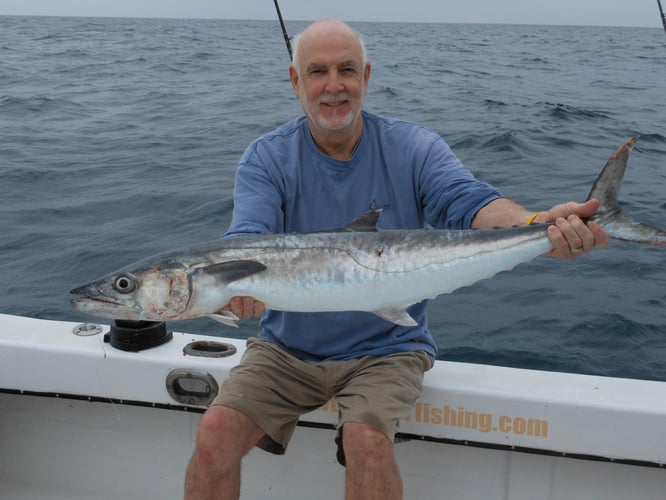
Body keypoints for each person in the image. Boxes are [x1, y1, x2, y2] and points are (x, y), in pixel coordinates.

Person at [185, 19, 609, 500]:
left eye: (347, 69)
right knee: (215, 432)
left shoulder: (414, 147)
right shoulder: (266, 158)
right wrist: (238, 291)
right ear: (295, 81)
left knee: (366, 442)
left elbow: (468, 202)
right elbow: (247, 238)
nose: (333, 85)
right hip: (286, 347)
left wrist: (537, 223)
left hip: (388, 345)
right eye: (317, 71)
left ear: (366, 76)